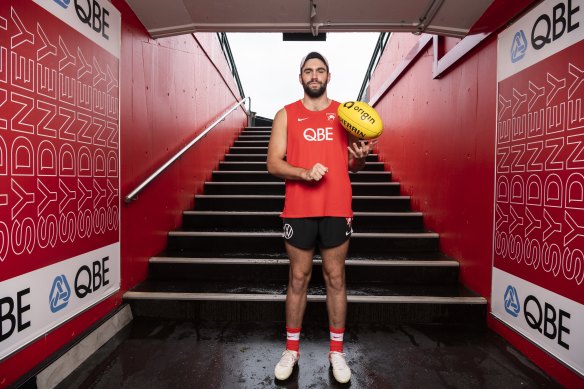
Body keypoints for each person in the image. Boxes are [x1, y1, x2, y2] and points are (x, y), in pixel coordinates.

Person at [267, 51, 373, 383]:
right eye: (308, 71)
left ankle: (337, 353)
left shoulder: (345, 115)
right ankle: (291, 349)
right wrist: (303, 171)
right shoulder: (286, 114)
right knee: (298, 279)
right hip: (299, 208)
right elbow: (273, 163)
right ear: (301, 77)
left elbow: (354, 165)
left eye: (320, 70)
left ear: (329, 76)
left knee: (336, 278)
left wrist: (360, 157)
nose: (315, 75)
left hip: (337, 207)